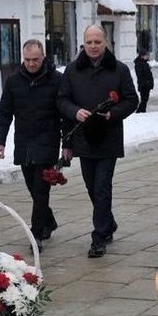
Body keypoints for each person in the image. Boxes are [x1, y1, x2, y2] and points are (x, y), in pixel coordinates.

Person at [57, 25, 139, 258]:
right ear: (83, 44)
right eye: (89, 42)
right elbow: (62, 101)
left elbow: (132, 100)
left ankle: (99, 237)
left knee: (102, 186)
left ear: (105, 43)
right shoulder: (72, 70)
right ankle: (108, 222)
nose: (93, 46)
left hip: (108, 137)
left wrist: (113, 113)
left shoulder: (119, 70)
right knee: (92, 186)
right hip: (83, 137)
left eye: (97, 42)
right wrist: (75, 112)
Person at [0, 39, 65, 253]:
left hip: (47, 142)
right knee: (34, 189)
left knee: (41, 190)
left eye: (36, 59)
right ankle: (48, 221)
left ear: (43, 57)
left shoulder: (57, 80)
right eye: (27, 60)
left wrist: (68, 143)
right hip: (24, 143)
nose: (32, 64)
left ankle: (36, 233)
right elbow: (4, 112)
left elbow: (64, 113)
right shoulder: (14, 81)